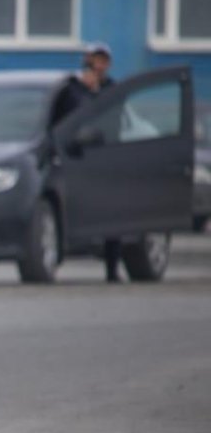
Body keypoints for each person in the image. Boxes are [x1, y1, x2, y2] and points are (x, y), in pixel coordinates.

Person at [51, 43, 123, 282]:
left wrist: (96, 93)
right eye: (95, 60)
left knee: (112, 215)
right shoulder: (72, 89)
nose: (98, 65)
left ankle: (112, 268)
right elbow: (64, 121)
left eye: (103, 61)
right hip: (76, 159)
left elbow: (113, 121)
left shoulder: (112, 89)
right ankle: (54, 262)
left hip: (105, 159)